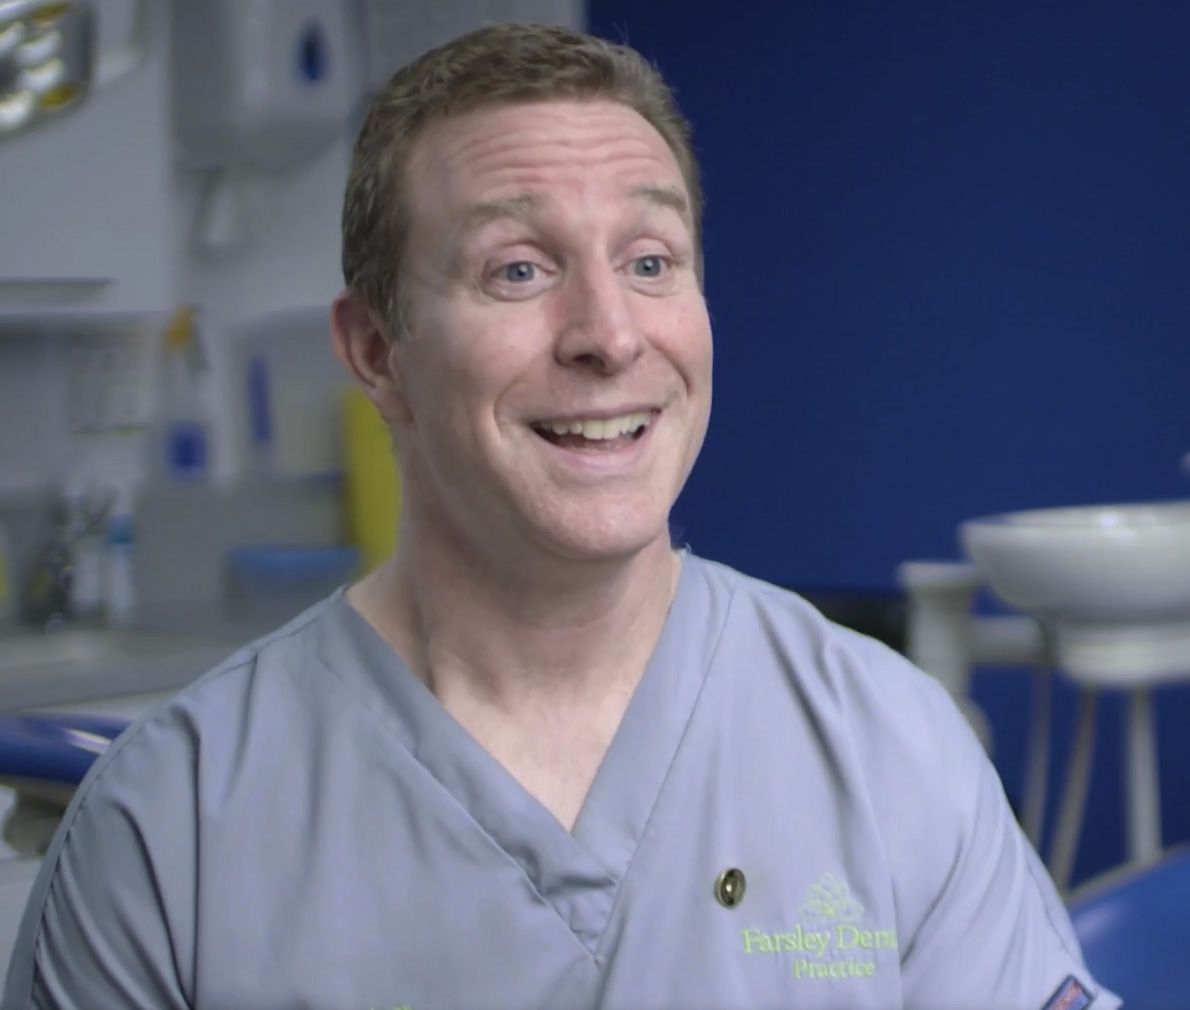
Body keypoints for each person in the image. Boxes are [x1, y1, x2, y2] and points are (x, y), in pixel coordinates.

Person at [3, 23, 1119, 1010]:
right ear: (376, 352)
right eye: (519, 269)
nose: (608, 333)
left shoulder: (888, 748)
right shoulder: (170, 827)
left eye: (649, 260)